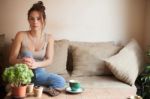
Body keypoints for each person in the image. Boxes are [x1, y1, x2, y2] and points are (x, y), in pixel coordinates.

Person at [9, 1, 65, 97]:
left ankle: (34, 87)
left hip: (40, 74)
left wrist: (36, 64)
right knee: (27, 55)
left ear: (44, 20)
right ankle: (34, 87)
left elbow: (49, 60)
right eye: (32, 19)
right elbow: (11, 59)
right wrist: (22, 61)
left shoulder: (49, 37)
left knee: (61, 81)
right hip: (24, 74)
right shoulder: (20, 35)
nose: (35, 22)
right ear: (28, 20)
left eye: (38, 19)